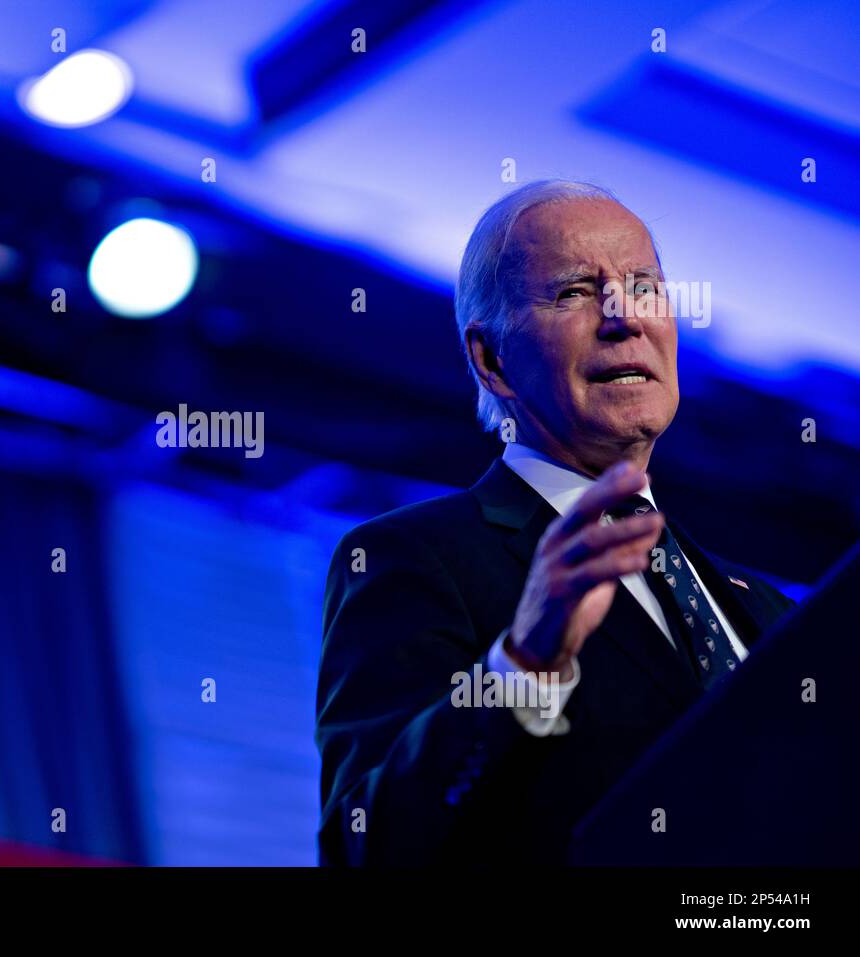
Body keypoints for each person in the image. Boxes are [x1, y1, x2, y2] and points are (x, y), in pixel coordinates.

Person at [315, 181, 794, 866]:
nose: (623, 317)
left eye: (644, 286)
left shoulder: (766, 612)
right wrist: (525, 667)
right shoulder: (415, 559)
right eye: (573, 292)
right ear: (492, 359)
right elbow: (367, 844)